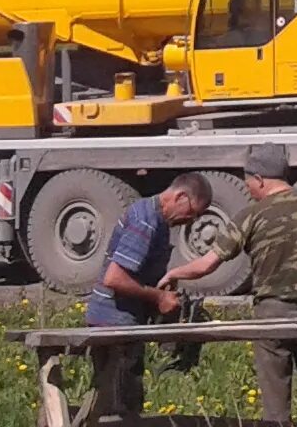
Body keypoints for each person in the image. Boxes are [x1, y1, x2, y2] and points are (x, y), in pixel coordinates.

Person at [167, 144, 297, 426]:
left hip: (273, 314)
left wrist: (173, 274)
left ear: (260, 179)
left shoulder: (251, 215)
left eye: (247, 181)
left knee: (275, 406)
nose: (247, 188)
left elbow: (208, 263)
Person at [84, 173, 214, 426]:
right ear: (180, 196)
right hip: (115, 325)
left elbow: (134, 272)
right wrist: (158, 297)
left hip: (123, 323)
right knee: (119, 407)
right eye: (193, 212)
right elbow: (115, 278)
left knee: (121, 399)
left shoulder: (157, 220)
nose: (191, 220)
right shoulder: (147, 221)